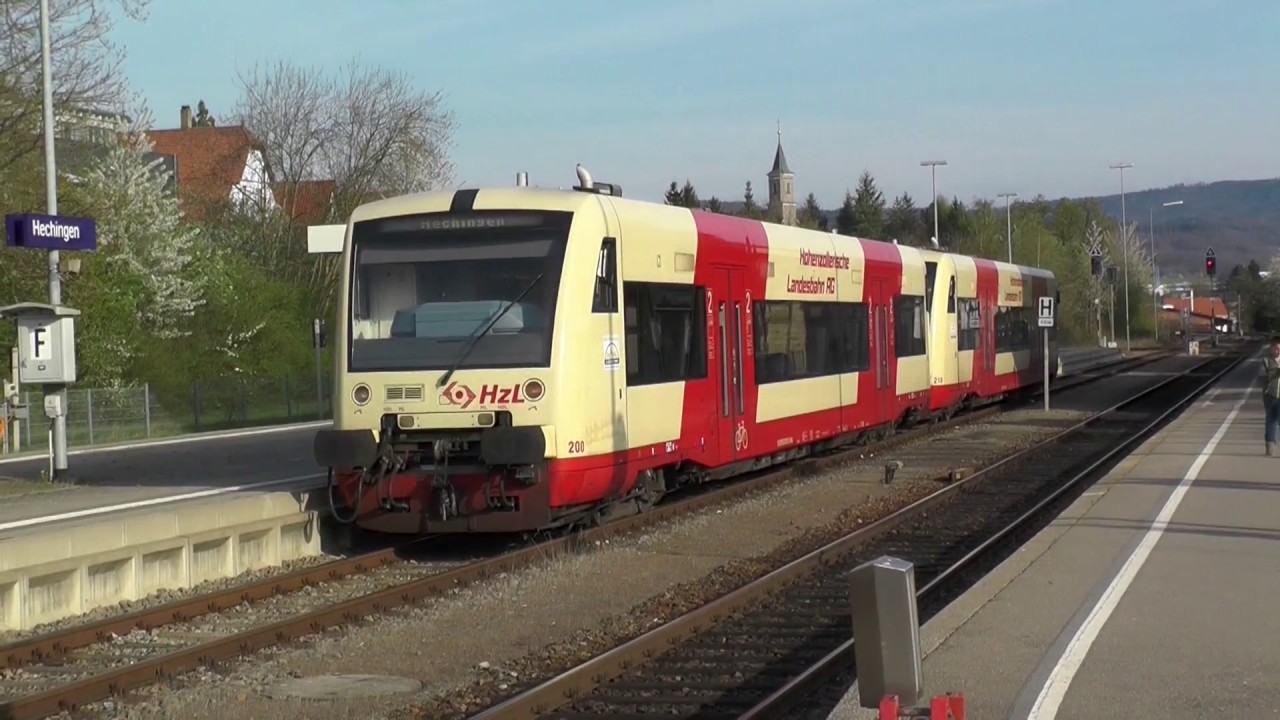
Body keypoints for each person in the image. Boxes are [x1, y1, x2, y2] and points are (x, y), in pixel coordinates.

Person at [1262, 337, 1280, 455]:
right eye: (1276, 348)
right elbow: (1262, 376)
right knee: (1271, 420)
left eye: (1279, 349)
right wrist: (1275, 373)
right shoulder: (1266, 361)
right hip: (1270, 395)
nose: (1278, 351)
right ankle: (1270, 444)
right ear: (1271, 348)